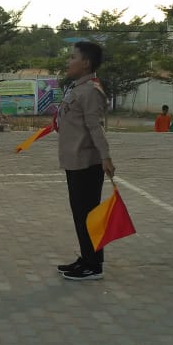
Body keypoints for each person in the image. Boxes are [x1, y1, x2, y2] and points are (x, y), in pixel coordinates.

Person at [56, 41, 116, 281]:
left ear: (86, 63)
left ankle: (94, 265)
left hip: (87, 162)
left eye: (73, 57)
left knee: (88, 216)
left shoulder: (90, 91)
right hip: (74, 160)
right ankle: (87, 258)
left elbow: (95, 127)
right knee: (80, 215)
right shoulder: (77, 87)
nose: (68, 61)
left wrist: (106, 157)